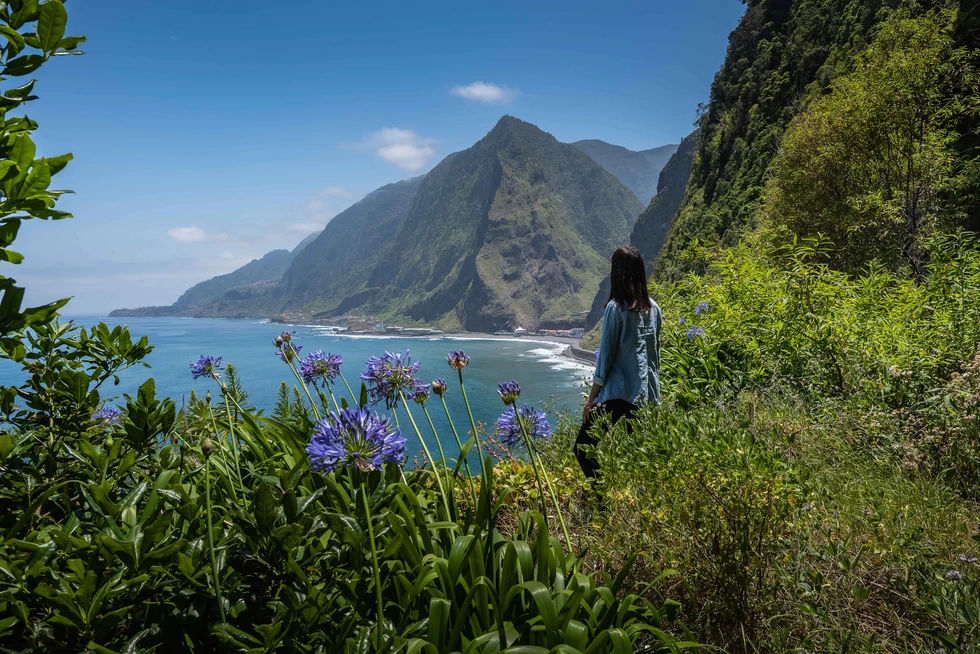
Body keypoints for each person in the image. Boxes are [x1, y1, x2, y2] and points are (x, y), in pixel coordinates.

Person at [575, 245, 662, 481]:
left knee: (584, 449)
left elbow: (605, 358)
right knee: (639, 459)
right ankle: (634, 506)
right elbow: (655, 358)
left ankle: (604, 502)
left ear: (617, 273)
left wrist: (591, 399)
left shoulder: (616, 308)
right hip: (644, 395)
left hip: (617, 395)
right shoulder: (655, 309)